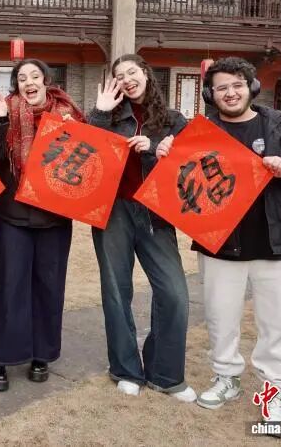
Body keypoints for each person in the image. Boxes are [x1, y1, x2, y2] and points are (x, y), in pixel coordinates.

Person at [156, 56, 281, 422]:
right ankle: (226, 377)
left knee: (278, 321)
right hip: (220, 243)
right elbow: (177, 180)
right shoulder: (200, 133)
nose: (230, 93)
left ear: (251, 87)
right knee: (220, 317)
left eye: (237, 85)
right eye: (221, 88)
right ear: (210, 94)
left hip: (279, 241)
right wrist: (164, 154)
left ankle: (277, 390)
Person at [86, 54, 196, 402]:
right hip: (113, 211)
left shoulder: (173, 120)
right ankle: (125, 369)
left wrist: (156, 150)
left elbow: (189, 167)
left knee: (174, 293)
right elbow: (85, 151)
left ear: (146, 74)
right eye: (119, 76)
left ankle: (165, 374)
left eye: (132, 72)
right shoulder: (108, 115)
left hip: (155, 213)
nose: (127, 79)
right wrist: (100, 112)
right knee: (116, 292)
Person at [0, 58, 84, 391]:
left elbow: (89, 157)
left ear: (46, 81)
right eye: (22, 78)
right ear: (17, 85)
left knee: (49, 287)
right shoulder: (6, 112)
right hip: (13, 215)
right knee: (10, 286)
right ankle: (0, 357)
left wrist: (89, 123)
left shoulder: (67, 114)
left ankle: (41, 354)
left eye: (34, 76)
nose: (28, 82)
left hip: (55, 217)